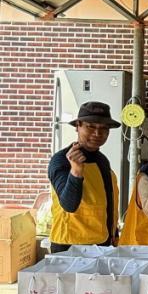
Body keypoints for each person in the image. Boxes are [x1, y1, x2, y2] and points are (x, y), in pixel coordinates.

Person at [48, 101, 121, 253]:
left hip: (101, 244)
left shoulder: (102, 160)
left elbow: (108, 202)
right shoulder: (61, 160)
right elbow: (69, 205)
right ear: (78, 126)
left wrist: (113, 234)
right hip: (70, 247)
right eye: (91, 127)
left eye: (104, 128)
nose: (97, 133)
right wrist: (76, 171)